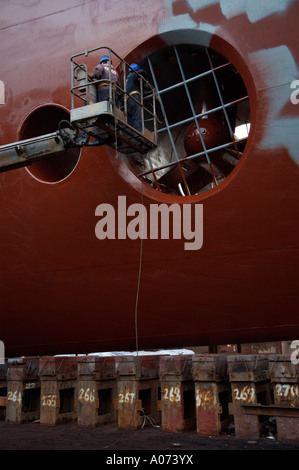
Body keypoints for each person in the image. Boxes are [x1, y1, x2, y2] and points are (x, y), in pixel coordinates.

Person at [126, 63, 148, 132]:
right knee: (136, 115)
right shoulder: (134, 76)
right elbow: (142, 72)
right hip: (135, 97)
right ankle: (138, 132)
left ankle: (130, 132)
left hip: (127, 99)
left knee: (129, 117)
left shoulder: (127, 80)